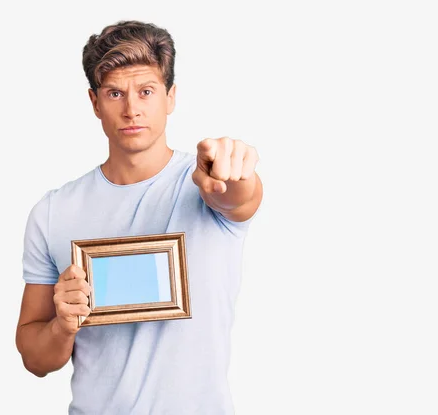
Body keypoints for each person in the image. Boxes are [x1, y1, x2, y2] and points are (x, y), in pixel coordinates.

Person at [15, 20, 263, 414]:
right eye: (115, 93)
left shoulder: (205, 183)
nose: (131, 109)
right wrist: (62, 325)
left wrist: (232, 172)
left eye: (146, 91)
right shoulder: (52, 212)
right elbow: (35, 358)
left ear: (170, 97)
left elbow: (238, 198)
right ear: (95, 103)